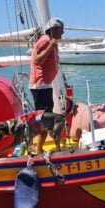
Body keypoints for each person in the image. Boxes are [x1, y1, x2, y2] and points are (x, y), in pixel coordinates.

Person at [30, 17, 64, 154]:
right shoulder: (46, 41)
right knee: (45, 120)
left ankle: (42, 147)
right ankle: (40, 149)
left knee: (46, 120)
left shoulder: (47, 40)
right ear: (54, 29)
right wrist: (50, 46)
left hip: (44, 85)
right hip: (41, 85)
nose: (63, 34)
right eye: (61, 31)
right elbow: (37, 61)